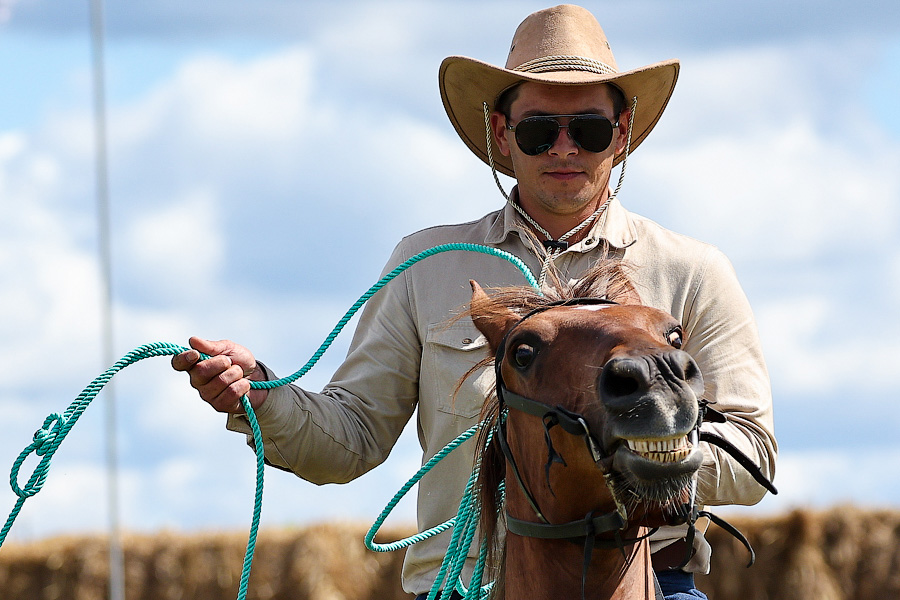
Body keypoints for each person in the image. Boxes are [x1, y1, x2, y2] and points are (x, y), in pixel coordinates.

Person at [172, 5, 776, 599]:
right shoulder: (427, 267)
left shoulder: (692, 272)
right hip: (461, 584)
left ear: (620, 135)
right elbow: (351, 439)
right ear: (502, 135)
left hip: (649, 583)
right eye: (540, 130)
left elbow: (756, 456)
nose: (564, 149)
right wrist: (259, 395)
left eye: (588, 129)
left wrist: (643, 456)